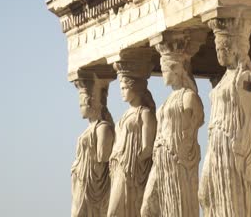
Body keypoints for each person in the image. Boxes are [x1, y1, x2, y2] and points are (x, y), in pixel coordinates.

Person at [199, 19, 251, 217]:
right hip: (216, 144)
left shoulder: (245, 78)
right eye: (218, 48)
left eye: (223, 47)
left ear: (236, 48)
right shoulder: (225, 79)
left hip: (233, 147)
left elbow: (249, 115)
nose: (219, 52)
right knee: (207, 195)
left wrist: (242, 140)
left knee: (232, 200)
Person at [141, 40, 204, 217]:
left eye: (164, 70)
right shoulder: (168, 100)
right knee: (147, 208)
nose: (162, 74)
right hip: (160, 159)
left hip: (177, 160)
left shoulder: (189, 97)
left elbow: (195, 125)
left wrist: (182, 151)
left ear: (176, 70)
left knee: (176, 209)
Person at [107, 65, 156, 217]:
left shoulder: (145, 113)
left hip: (131, 169)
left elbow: (147, 147)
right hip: (118, 167)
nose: (121, 92)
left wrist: (134, 162)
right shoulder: (125, 114)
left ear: (135, 88)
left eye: (124, 88)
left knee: (114, 213)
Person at [71, 77, 114, 217]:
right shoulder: (90, 129)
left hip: (92, 183)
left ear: (90, 104)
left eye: (80, 106)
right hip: (82, 179)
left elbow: (103, 158)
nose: (79, 109)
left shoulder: (103, 128)